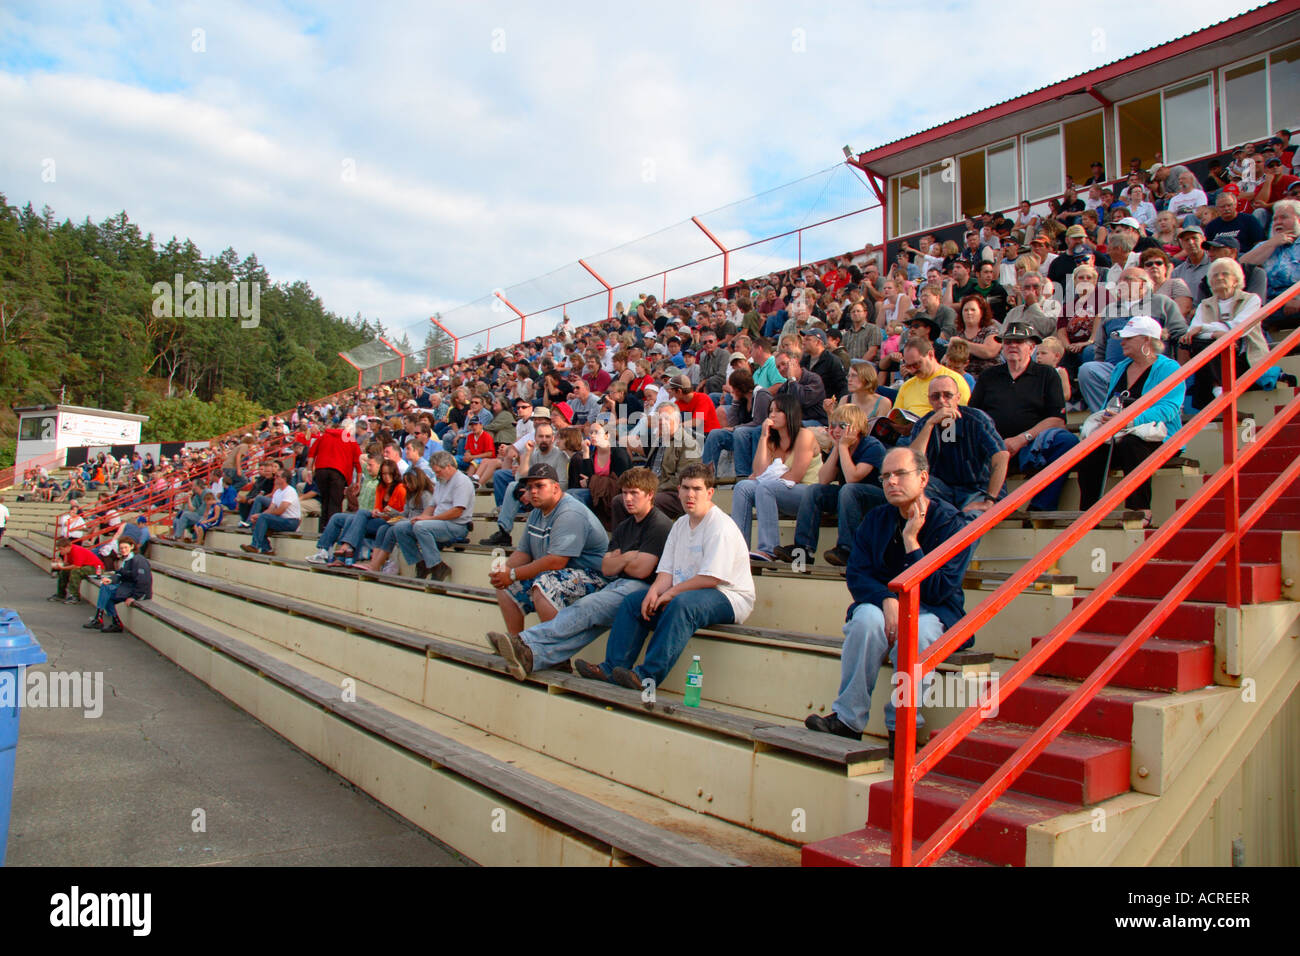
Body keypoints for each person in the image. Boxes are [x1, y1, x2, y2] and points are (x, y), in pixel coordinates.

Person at [804, 446, 975, 756]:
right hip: (886, 607)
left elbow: (939, 589)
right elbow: (857, 574)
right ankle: (848, 720)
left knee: (917, 633)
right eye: (885, 476)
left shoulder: (952, 524)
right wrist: (886, 599)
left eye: (900, 474)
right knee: (865, 621)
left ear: (923, 478)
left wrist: (912, 542)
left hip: (932, 610)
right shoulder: (876, 518)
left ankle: (903, 726)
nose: (891, 482)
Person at [575, 464, 754, 692]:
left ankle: (646, 676)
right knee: (633, 602)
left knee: (681, 604)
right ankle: (612, 668)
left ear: (709, 492)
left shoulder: (720, 526)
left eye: (697, 489)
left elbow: (711, 578)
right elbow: (666, 571)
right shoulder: (679, 525)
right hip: (689, 595)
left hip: (729, 597)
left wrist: (670, 593)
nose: (690, 495)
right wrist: (654, 592)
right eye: (686, 488)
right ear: (678, 490)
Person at [488, 468, 675, 681]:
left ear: (650, 494)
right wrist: (627, 558)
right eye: (624, 493)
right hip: (619, 582)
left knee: (586, 607)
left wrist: (619, 560)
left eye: (634, 493)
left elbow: (642, 570)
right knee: (588, 618)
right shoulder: (624, 526)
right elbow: (608, 566)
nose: (627, 499)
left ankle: (524, 642)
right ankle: (534, 656)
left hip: (643, 588)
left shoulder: (658, 525)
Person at [1076, 317, 1185, 527]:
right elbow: (1111, 402)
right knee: (1091, 451)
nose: (1121, 342)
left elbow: (1169, 409)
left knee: (1132, 445)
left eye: (1128, 338)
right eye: (1121, 337)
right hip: (1120, 433)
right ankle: (1089, 514)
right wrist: (1109, 417)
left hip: (1157, 436)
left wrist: (1129, 420)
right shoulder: (1121, 367)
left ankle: (1140, 511)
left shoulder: (1169, 367)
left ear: (1146, 340)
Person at [489, 463, 610, 638]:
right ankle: (516, 645)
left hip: (596, 577)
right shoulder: (537, 512)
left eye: (540, 486)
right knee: (506, 587)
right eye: (530, 487)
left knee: (545, 585)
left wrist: (514, 573)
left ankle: (553, 654)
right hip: (563, 573)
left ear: (555, 488)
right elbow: (524, 552)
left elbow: (556, 561)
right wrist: (504, 572)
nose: (533, 492)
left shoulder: (570, 512)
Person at [971, 322, 1078, 511]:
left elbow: (1057, 420)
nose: (1012, 345)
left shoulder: (1047, 374)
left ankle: (1041, 506)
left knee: (1067, 441)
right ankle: (990, 507)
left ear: (1032, 347)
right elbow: (973, 416)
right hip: (992, 449)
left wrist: (1022, 439)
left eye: (1019, 341)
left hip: (1031, 446)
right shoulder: (988, 376)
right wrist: (993, 442)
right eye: (1008, 341)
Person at [777, 403, 886, 567]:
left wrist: (842, 446)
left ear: (855, 428)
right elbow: (823, 479)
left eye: (841, 426)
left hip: (876, 498)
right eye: (832, 426)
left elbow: (852, 478)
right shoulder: (840, 447)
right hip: (848, 498)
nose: (835, 430)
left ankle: (846, 549)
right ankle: (804, 549)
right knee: (814, 491)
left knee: (848, 489)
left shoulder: (872, 445)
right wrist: (837, 448)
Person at [730, 393, 823, 561]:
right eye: (770, 411)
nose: (772, 415)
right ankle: (738, 550)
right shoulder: (773, 440)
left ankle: (769, 549)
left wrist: (763, 480)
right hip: (775, 492)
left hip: (807, 494)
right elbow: (758, 472)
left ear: (790, 413)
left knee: (766, 487)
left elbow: (795, 476)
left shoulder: (805, 435)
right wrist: (764, 437)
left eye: (778, 411)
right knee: (742, 487)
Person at [900, 375, 1008, 513]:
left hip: (977, 489)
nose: (941, 401)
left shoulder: (976, 419)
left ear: (957, 397)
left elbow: (1001, 456)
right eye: (935, 396)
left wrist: (990, 500)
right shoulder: (925, 423)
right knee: (913, 479)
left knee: (970, 519)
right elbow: (912, 463)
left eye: (947, 395)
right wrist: (930, 425)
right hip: (944, 490)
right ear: (929, 400)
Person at [1179, 258, 1268, 409]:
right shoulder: (1205, 304)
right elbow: (1192, 334)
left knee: (1217, 343)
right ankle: (1218, 388)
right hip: (1212, 355)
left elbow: (1239, 328)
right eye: (1215, 275)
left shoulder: (1251, 300)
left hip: (1243, 357)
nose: (1219, 277)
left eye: (1225, 274)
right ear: (1210, 282)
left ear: (1236, 280)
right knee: (1197, 343)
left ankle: (1217, 389)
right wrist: (1215, 334)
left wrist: (1205, 329)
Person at [389, 450, 475, 582]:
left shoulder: (462, 482)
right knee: (400, 528)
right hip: (439, 522)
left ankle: (437, 566)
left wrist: (428, 519)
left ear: (448, 466)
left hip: (457, 525)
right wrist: (422, 517)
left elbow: (457, 511)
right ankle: (421, 563)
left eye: (438, 471)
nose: (436, 475)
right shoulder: (441, 481)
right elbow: (432, 505)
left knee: (421, 527)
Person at [85, 536, 152, 633]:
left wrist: (135, 597)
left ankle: (98, 618)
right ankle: (116, 623)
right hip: (127, 587)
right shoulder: (126, 559)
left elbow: (144, 581)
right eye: (121, 548)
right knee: (107, 594)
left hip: (137, 591)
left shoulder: (138, 560)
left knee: (106, 589)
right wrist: (111, 580)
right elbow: (120, 574)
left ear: (132, 546)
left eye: (126, 547)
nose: (123, 550)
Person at [892, 337, 971, 418]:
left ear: (930, 355)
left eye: (916, 364)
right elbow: (895, 418)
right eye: (908, 366)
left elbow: (961, 417)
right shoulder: (907, 386)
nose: (912, 371)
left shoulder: (954, 381)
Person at [240, 468, 301, 555]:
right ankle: (267, 549)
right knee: (256, 522)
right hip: (281, 520)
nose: (275, 478)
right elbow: (271, 509)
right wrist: (257, 516)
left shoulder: (290, 491)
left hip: (291, 521)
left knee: (262, 518)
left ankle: (255, 546)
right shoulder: (278, 492)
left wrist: (261, 516)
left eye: (277, 476)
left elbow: (280, 511)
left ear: (284, 479)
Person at [50, 536, 105, 604]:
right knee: (64, 572)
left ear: (67, 547)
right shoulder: (69, 552)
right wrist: (60, 563)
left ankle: (74, 596)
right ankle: (61, 594)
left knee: (75, 571)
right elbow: (70, 564)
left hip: (96, 568)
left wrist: (62, 567)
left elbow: (76, 566)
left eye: (61, 549)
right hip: (85, 566)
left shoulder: (76, 550)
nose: (60, 551)